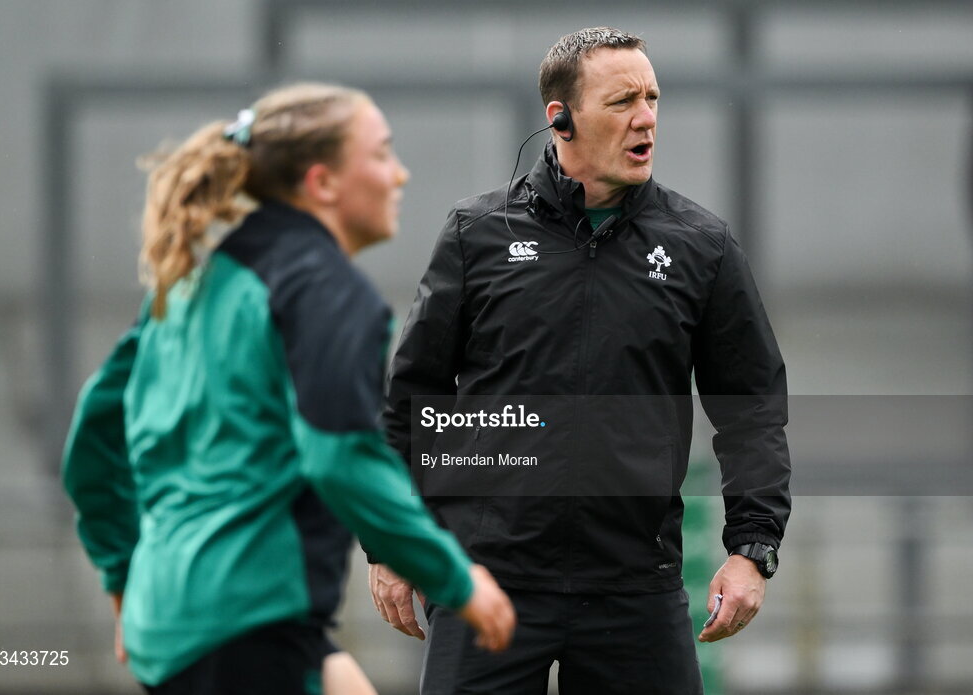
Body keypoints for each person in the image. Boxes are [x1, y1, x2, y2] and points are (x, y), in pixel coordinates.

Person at [368, 27, 791, 694]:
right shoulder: (476, 235)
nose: (646, 116)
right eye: (623, 100)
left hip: (636, 590)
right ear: (560, 119)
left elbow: (753, 408)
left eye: (652, 97)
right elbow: (410, 400)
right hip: (486, 582)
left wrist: (751, 547)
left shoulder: (702, 246)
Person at [61, 82, 515, 695]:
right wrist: (457, 578)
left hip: (174, 619)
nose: (400, 175)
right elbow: (340, 456)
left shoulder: (193, 280)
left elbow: (92, 439)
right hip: (245, 622)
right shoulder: (327, 290)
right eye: (381, 155)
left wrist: (124, 579)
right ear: (323, 183)